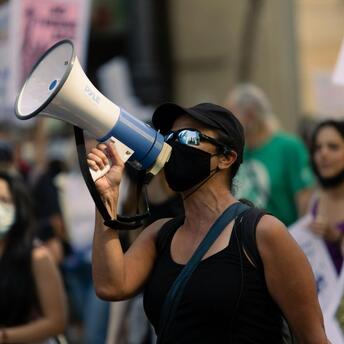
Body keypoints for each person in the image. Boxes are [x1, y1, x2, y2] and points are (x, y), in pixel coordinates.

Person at [87, 102, 329, 343]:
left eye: (188, 136)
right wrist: (106, 199)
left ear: (226, 158)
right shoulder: (160, 234)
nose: (173, 144)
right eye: (169, 136)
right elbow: (111, 285)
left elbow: (313, 338)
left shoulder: (262, 233)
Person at [226, 83, 315, 226]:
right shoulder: (236, 151)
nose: (227, 123)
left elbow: (305, 202)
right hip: (243, 240)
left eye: (231, 115)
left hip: (283, 237)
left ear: (250, 115)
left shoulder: (289, 147)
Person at [0, 171, 67, 343]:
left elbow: (56, 322)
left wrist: (5, 337)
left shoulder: (37, 257)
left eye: (4, 200)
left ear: (18, 207)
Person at [308, 119, 344, 274]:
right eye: (318, 147)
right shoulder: (315, 198)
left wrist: (336, 238)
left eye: (333, 147)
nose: (323, 153)